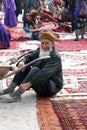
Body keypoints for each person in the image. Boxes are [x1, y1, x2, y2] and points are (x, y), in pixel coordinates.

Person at [0, 32, 63, 103]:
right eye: (42, 43)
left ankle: (17, 94)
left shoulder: (55, 57)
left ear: (53, 44)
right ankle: (10, 89)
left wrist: (28, 84)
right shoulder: (40, 50)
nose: (44, 46)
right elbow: (29, 56)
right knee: (24, 66)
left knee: (35, 70)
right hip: (40, 84)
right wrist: (22, 62)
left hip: (51, 88)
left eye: (47, 43)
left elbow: (44, 74)